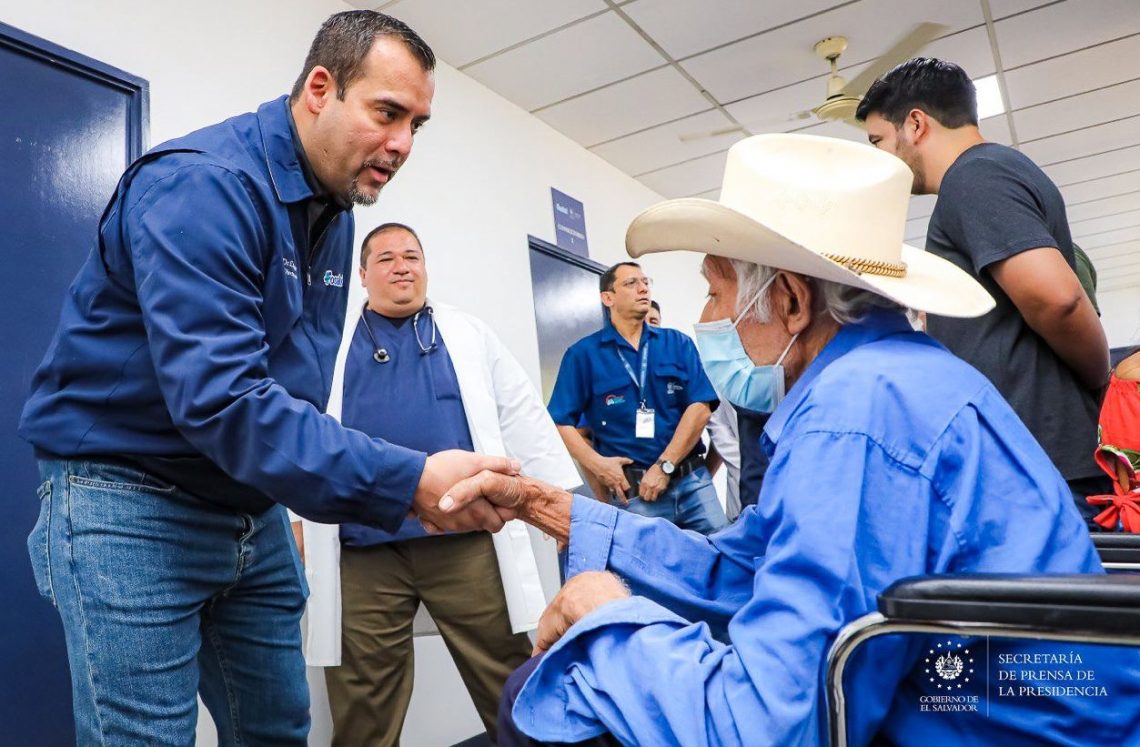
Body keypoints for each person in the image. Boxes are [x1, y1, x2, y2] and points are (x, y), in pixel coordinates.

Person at [445, 134, 1140, 746]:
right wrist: (551, 506)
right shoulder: (886, 376)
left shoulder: (855, 413)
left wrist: (610, 616)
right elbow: (740, 566)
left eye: (717, 294)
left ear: (789, 300)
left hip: (975, 724)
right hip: (965, 699)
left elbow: (771, 724)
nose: (710, 318)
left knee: (539, 695)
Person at [18, 12, 518, 745]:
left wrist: (285, 494)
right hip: (126, 499)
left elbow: (289, 381)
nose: (403, 144)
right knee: (148, 736)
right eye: (387, 113)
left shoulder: (335, 208)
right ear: (321, 88)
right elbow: (224, 400)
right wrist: (408, 480)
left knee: (278, 727)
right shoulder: (203, 185)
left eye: (417, 123)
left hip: (246, 508)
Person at [294, 223, 581, 745]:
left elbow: (521, 413)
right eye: (385, 259)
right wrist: (295, 520)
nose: (401, 265)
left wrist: (557, 504)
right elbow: (299, 430)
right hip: (363, 549)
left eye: (411, 256)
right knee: (363, 698)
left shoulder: (467, 332)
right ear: (362, 275)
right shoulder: (329, 344)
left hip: (462, 540)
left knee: (506, 674)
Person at [855, 57, 1113, 526]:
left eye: (878, 141)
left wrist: (1100, 376)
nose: (878, 159)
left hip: (1039, 466)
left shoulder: (974, 176)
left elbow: (1057, 300)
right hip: (1031, 461)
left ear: (915, 124)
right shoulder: (982, 177)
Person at [547, 262, 726, 533]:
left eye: (645, 281)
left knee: (723, 561)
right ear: (608, 298)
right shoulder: (583, 355)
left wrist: (664, 467)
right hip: (635, 494)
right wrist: (598, 465)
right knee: (646, 571)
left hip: (692, 482)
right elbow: (561, 423)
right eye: (631, 283)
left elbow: (700, 408)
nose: (643, 288)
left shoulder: (677, 344)